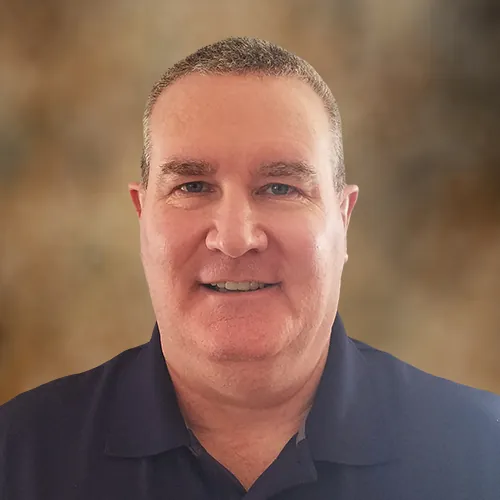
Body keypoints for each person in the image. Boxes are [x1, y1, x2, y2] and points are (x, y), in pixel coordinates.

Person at [0, 37, 499, 500]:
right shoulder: (18, 456)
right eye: (192, 186)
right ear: (142, 215)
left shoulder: (483, 454)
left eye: (280, 188)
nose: (235, 239)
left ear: (343, 219)